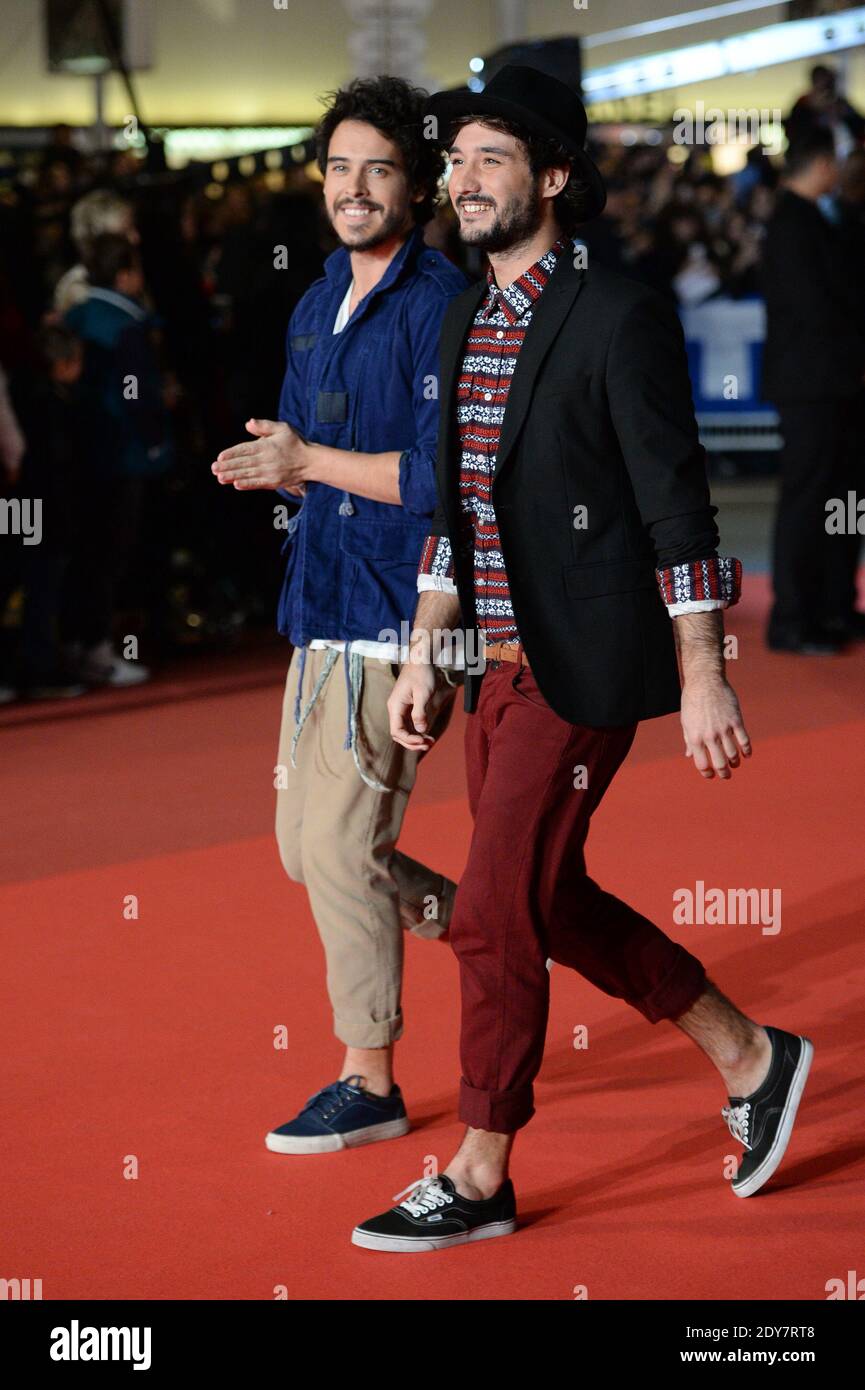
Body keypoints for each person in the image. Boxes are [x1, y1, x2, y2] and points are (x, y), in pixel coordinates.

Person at [351, 66, 813, 1252]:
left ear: (554, 177)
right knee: (547, 898)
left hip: (584, 661)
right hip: (489, 666)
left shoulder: (617, 314)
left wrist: (705, 667)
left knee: (494, 912)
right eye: (453, 162)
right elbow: (454, 516)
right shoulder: (459, 315)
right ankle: (752, 1054)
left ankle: (480, 1167)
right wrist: (425, 655)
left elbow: (677, 506)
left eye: (489, 160)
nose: (461, 181)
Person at [212, 76, 468, 1154]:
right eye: (337, 168)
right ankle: (490, 919)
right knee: (302, 848)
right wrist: (284, 469)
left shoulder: (440, 302)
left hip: (399, 611)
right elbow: (322, 463)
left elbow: (439, 479)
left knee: (337, 848)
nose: (353, 188)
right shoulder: (318, 297)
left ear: (417, 185)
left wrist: (310, 460)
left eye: (377, 168)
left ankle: (368, 1075)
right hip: (317, 606)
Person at [761, 129, 865, 653]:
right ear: (822, 162)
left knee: (846, 497)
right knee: (808, 498)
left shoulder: (827, 217)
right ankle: (792, 618)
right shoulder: (789, 223)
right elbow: (819, 308)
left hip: (840, 384)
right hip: (810, 386)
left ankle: (834, 607)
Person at [64, 233, 172, 686]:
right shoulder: (126, 326)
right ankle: (98, 653)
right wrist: (154, 443)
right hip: (121, 454)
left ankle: (78, 647)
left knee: (86, 554)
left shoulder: (76, 316)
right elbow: (138, 397)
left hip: (79, 452)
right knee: (109, 555)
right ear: (126, 275)